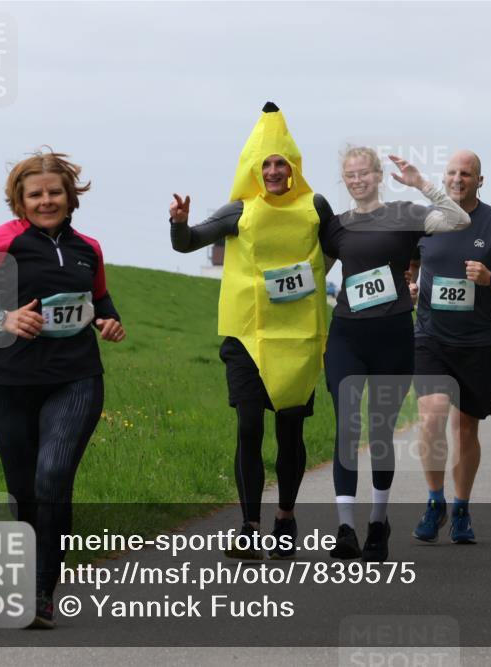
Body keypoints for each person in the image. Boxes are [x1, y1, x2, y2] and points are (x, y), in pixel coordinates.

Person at [0, 150, 125, 629]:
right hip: (10, 381)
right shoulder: (0, 241)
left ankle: (42, 593)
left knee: (53, 478)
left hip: (76, 378)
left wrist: (109, 322)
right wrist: (3, 318)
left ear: (70, 196)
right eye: (36, 194)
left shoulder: (89, 248)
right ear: (20, 201)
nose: (46, 201)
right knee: (23, 491)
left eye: (54, 192)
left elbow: (100, 299)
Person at [169, 102, 332, 560]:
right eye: (266, 164)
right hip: (245, 338)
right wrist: (178, 222)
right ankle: (249, 526)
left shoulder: (315, 207)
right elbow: (187, 243)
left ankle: (285, 517)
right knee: (248, 428)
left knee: (290, 433)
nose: (274, 171)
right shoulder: (239, 210)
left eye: (281, 163)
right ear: (254, 170)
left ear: (293, 167)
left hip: (296, 340)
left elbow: (342, 244)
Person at [324, 147, 469, 562]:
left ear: (378, 175)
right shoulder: (337, 226)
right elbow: (316, 272)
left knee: (380, 430)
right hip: (346, 335)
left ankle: (377, 523)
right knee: (347, 428)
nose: (357, 180)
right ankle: (346, 528)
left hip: (392, 336)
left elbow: (459, 219)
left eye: (364, 173)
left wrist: (421, 183)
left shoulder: (405, 214)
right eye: (350, 175)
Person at [409, 150, 491, 544]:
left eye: (466, 173)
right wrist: (409, 284)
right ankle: (434, 501)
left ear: (480, 180)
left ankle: (461, 509)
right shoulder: (426, 220)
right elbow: (408, 264)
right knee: (431, 416)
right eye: (452, 172)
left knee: (465, 429)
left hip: (477, 344)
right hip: (430, 337)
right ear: (443, 178)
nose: (457, 179)